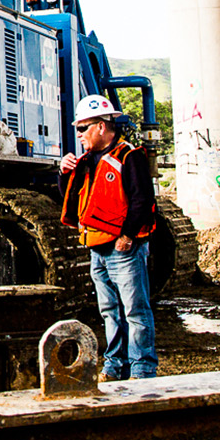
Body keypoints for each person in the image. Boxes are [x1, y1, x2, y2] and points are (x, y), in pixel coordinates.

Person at [59, 95, 158, 381]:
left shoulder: (129, 157)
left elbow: (142, 199)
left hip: (122, 248)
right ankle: (115, 365)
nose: (78, 135)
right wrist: (64, 173)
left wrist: (127, 235)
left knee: (135, 311)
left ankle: (142, 368)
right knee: (110, 312)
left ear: (101, 127)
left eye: (83, 128)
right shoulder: (87, 162)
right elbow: (73, 198)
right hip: (97, 248)